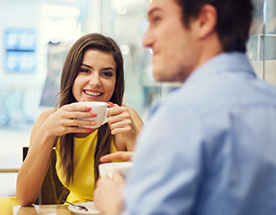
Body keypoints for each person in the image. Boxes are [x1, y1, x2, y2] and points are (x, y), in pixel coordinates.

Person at [94, 0, 276, 215]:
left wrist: (115, 207)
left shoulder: (181, 113)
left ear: (203, 21)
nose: (146, 40)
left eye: (157, 19)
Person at [15, 33, 143, 206]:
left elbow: (156, 191)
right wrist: (47, 132)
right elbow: (24, 197)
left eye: (106, 73)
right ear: (70, 74)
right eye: (85, 70)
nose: (95, 81)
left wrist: (133, 138)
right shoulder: (49, 120)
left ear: (115, 82)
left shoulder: (127, 120)